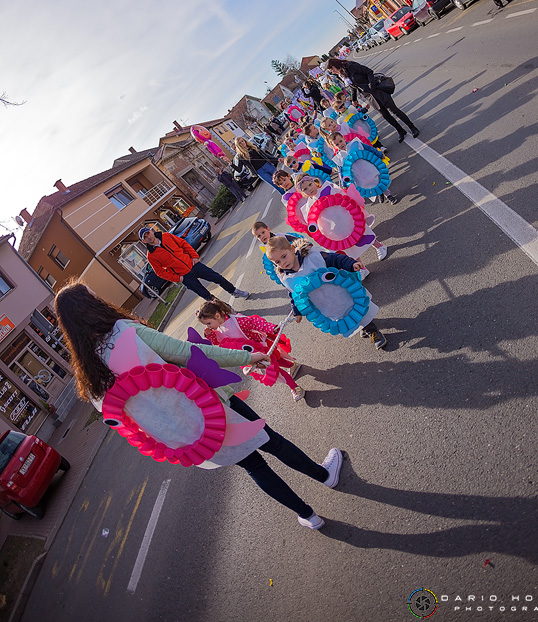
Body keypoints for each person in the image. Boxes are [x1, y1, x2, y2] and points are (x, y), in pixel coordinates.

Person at [54, 282, 342, 529]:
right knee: (271, 442)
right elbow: (189, 353)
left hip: (188, 433)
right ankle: (325, 476)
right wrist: (248, 358)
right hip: (210, 406)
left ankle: (309, 516)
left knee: (254, 466)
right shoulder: (125, 333)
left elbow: (125, 421)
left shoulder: (88, 376)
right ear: (91, 306)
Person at [266, 236, 387, 349]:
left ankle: (373, 331)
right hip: (325, 303)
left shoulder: (313, 257)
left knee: (355, 310)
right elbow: (293, 294)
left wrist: (351, 264)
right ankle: (363, 326)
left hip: (339, 293)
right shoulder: (286, 278)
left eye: (284, 256)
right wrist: (297, 311)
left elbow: (335, 259)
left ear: (292, 249)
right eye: (277, 262)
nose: (282, 263)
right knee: (345, 316)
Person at [195, 298, 305, 402]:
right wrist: (210, 335)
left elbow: (255, 322)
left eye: (208, 323)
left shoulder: (236, 321)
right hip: (249, 356)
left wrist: (272, 328)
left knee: (275, 370)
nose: (208, 327)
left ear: (217, 316)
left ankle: (295, 388)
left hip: (259, 350)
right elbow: (218, 342)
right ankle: (292, 366)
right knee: (277, 361)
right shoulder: (218, 330)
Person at [294, 173, 389, 261]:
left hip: (346, 218)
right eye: (305, 189)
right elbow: (314, 223)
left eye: (310, 185)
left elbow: (344, 197)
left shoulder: (328, 188)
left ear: (314, 182)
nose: (309, 189)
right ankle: (361, 267)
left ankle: (379, 246)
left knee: (361, 233)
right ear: (302, 193)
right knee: (348, 246)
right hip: (335, 228)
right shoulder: (308, 206)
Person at [139, 226, 250, 301]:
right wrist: (178, 278)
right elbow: (160, 272)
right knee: (205, 294)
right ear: (144, 241)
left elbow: (183, 244)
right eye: (145, 237)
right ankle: (225, 310)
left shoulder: (166, 236)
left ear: (151, 231)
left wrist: (195, 256)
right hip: (184, 276)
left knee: (217, 277)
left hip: (194, 265)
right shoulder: (151, 255)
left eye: (148, 233)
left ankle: (234, 291)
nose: (148, 237)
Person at [326, 57, 419, 144]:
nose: (333, 72)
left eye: (332, 69)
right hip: (368, 96)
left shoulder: (351, 66)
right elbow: (352, 87)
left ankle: (412, 127)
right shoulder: (342, 75)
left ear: (335, 64)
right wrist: (354, 99)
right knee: (385, 115)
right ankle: (400, 130)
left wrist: (372, 85)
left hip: (377, 91)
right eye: (331, 71)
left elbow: (368, 71)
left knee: (394, 110)